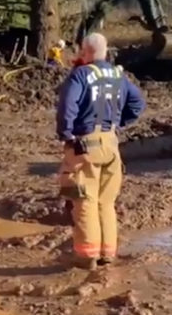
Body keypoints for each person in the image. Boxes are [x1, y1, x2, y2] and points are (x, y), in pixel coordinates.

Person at [55, 32, 146, 268]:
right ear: (105, 51)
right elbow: (138, 103)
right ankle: (108, 253)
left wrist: (66, 134)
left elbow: (68, 106)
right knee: (106, 202)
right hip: (111, 144)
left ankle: (86, 257)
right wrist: (121, 122)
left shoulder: (80, 75)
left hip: (85, 144)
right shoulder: (119, 75)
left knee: (84, 200)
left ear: (85, 51)